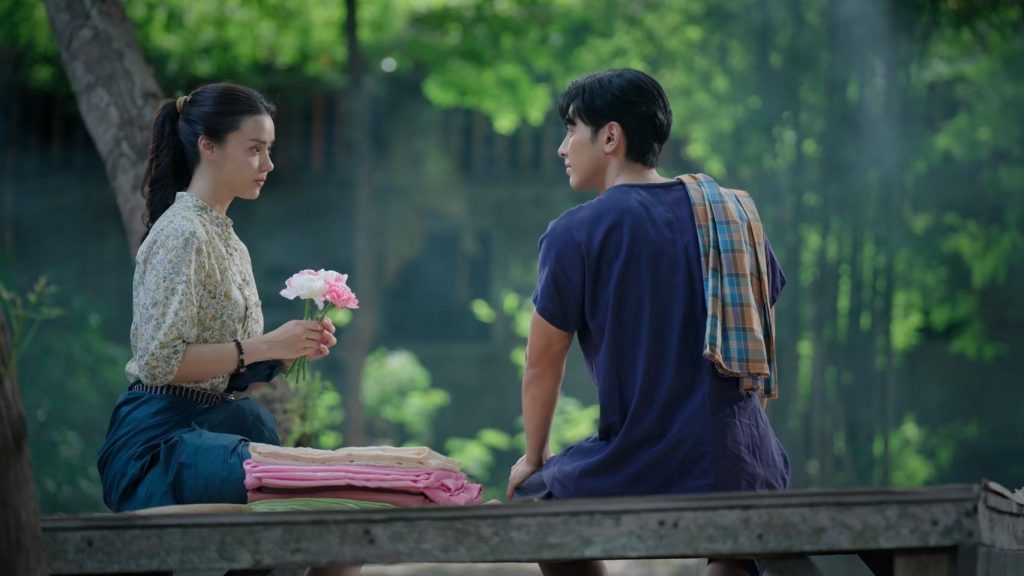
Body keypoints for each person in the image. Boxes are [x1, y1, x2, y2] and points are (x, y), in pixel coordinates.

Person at [506, 69, 790, 576]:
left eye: (571, 129)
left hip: (642, 462)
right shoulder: (731, 215)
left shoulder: (575, 233)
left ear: (610, 137)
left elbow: (541, 364)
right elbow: (759, 338)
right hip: (748, 463)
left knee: (536, 501)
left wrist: (534, 458)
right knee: (735, 545)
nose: (562, 148)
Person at [97, 83, 337, 512]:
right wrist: (264, 344)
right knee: (303, 486)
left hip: (214, 432)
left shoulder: (230, 242)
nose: (268, 163)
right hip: (158, 447)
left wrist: (287, 351)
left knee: (320, 494)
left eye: (268, 149)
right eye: (254, 149)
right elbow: (159, 363)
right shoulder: (182, 233)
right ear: (208, 146)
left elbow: (227, 373)